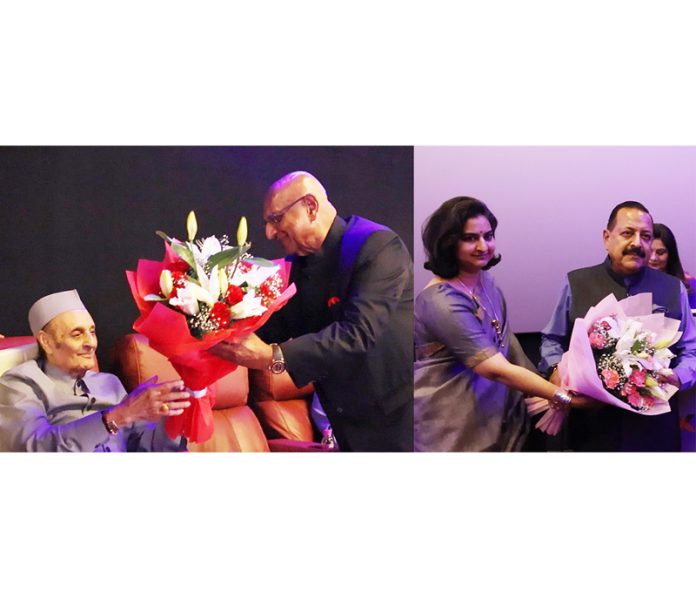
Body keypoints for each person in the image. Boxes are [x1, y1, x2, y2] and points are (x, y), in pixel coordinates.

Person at [209, 171, 413, 451]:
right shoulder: (295, 268)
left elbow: (358, 334)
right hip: (346, 425)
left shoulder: (377, 247)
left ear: (310, 207)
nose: (269, 233)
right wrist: (207, 323)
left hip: (400, 422)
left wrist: (273, 357)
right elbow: (269, 325)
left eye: (276, 219)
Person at [413, 196, 574, 452]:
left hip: (493, 415)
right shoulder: (439, 301)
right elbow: (495, 369)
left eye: (488, 236)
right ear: (447, 242)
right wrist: (560, 397)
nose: (483, 246)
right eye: (470, 238)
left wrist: (545, 385)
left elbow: (506, 340)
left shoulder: (485, 283)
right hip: (451, 426)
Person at [539, 201, 696, 451]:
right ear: (606, 237)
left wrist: (679, 376)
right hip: (591, 425)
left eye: (646, 236)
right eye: (627, 233)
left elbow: (691, 350)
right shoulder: (576, 282)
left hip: (655, 427)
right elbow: (552, 340)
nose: (637, 243)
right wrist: (556, 369)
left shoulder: (672, 288)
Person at [0, 290, 191, 452]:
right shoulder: (20, 382)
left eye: (92, 332)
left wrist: (174, 417)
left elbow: (145, 447)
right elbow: (30, 449)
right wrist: (117, 417)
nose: (91, 343)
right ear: (47, 342)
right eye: (77, 334)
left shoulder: (109, 383)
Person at [649, 223, 696, 309]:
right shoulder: (629, 287)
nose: (653, 258)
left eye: (660, 253)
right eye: (649, 251)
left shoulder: (690, 288)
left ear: (670, 255)